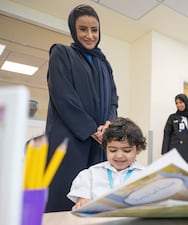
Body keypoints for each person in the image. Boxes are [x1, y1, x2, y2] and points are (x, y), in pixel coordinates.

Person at [45, 4, 118, 212]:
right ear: (73, 31)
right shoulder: (62, 53)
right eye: (83, 29)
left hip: (99, 143)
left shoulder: (105, 64)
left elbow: (113, 99)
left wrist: (109, 125)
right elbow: (63, 96)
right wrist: (91, 129)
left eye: (94, 30)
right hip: (70, 142)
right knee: (65, 200)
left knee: (96, 199)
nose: (89, 35)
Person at [67, 117, 146, 210]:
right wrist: (82, 203)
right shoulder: (91, 174)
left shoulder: (146, 175)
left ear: (138, 149)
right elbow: (82, 201)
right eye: (113, 150)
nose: (119, 156)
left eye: (126, 150)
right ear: (105, 148)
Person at [161, 93, 188, 166]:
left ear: (185, 102)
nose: (178, 105)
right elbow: (167, 134)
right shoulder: (173, 117)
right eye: (176, 103)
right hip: (177, 150)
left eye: (181, 102)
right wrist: (165, 152)